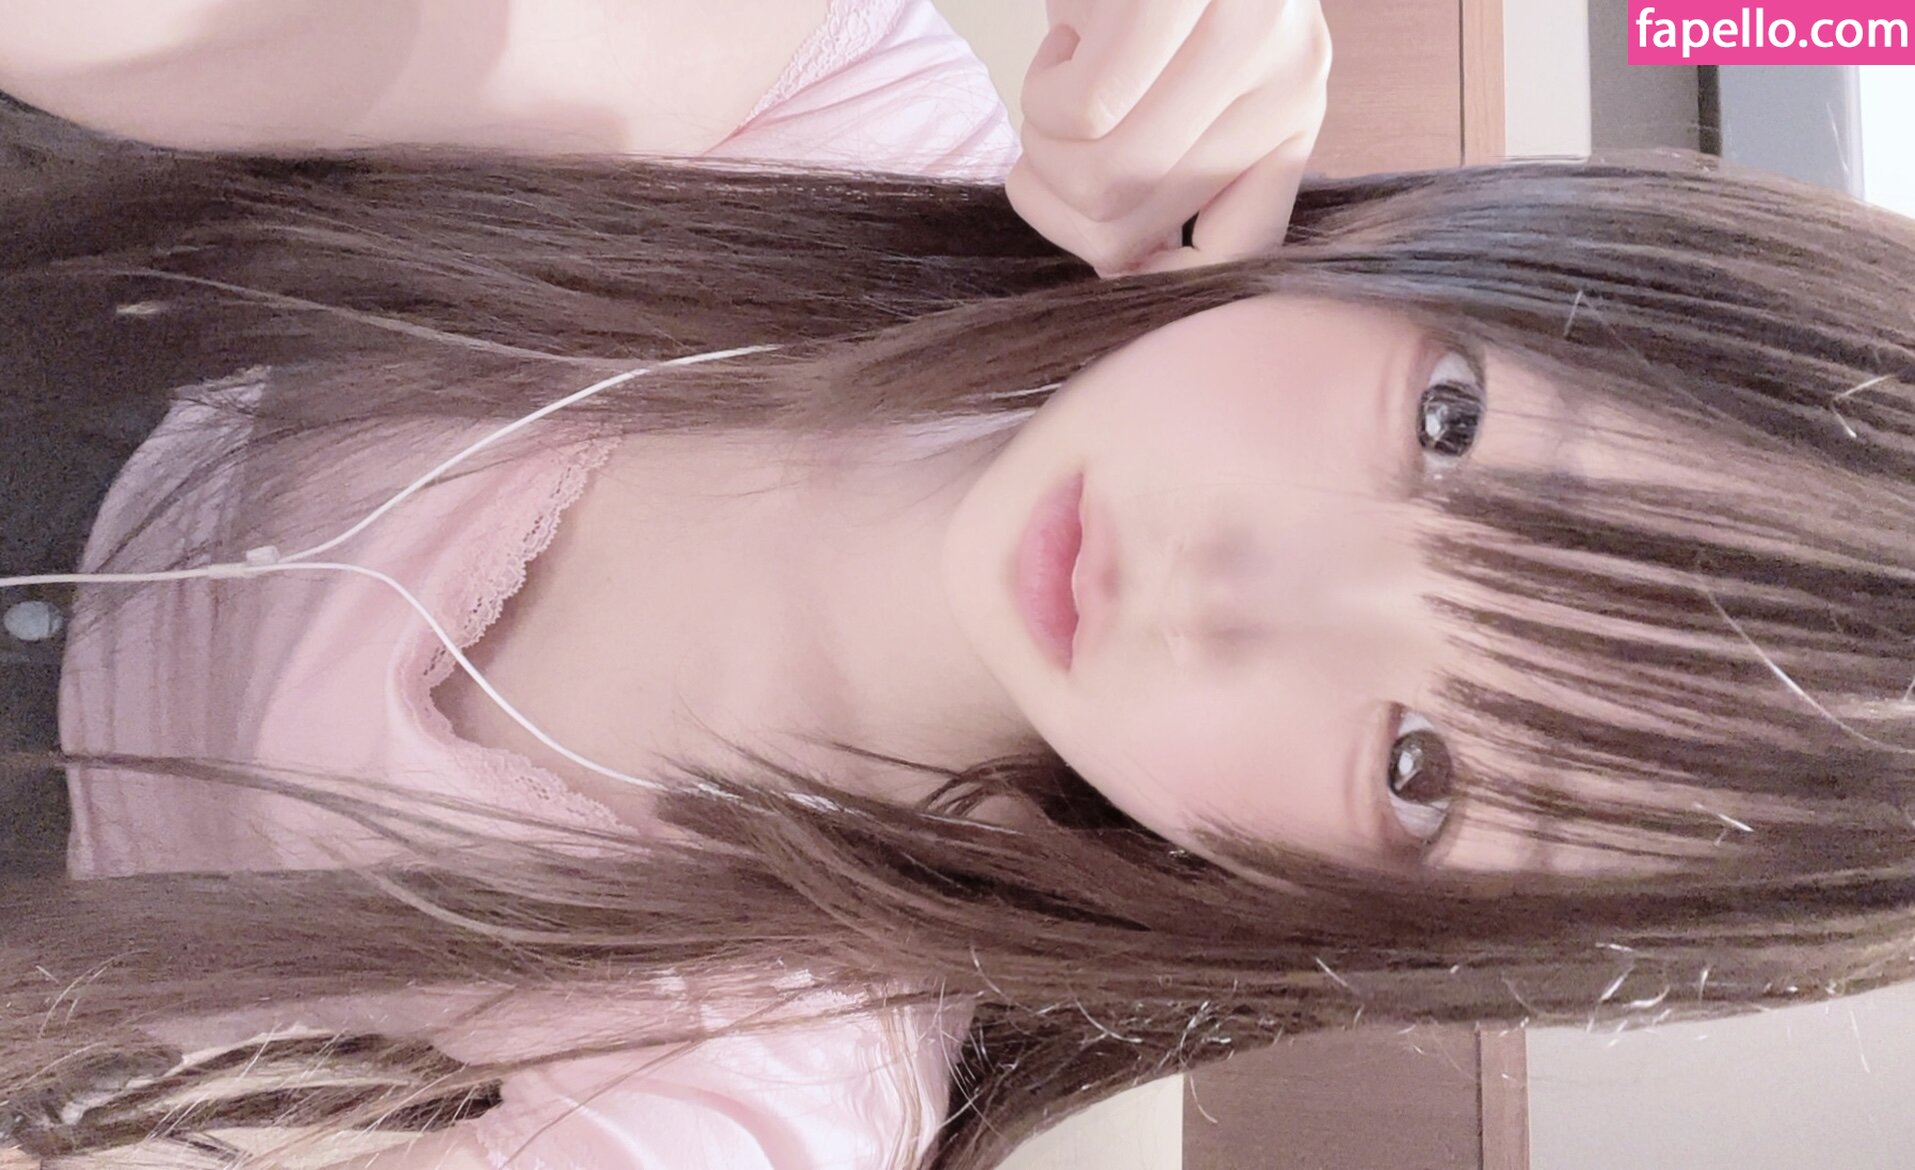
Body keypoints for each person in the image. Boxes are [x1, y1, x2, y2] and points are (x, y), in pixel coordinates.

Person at [3, 2, 1914, 1169]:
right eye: (1450, 424)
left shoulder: (738, 1094)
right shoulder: (832, 122)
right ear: (1451, 247)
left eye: (1422, 764)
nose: (1224, 589)